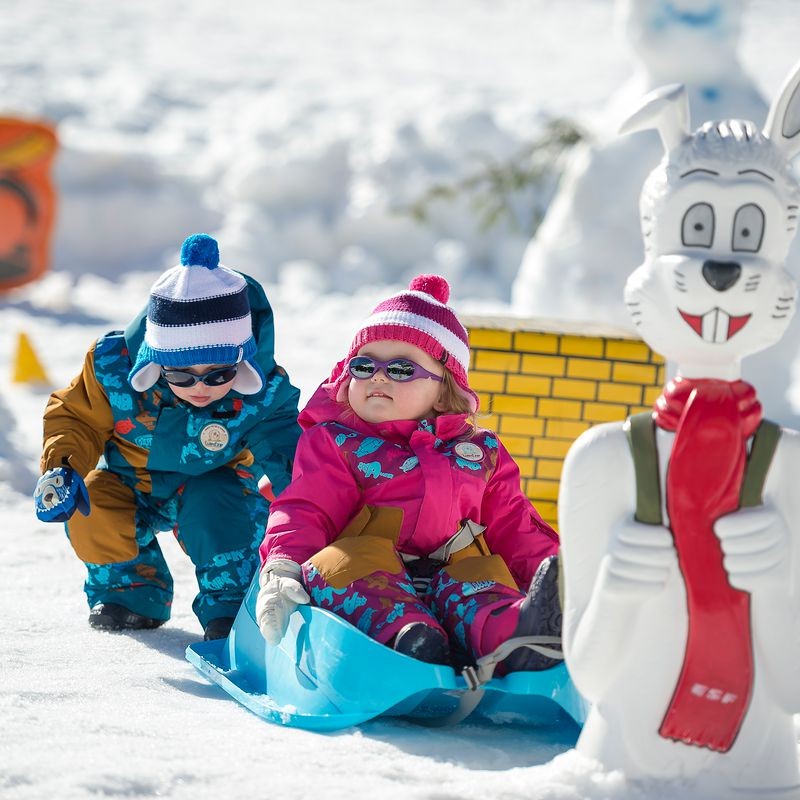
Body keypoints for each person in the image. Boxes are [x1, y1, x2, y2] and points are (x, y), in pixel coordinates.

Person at [255, 274, 561, 671]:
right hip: (366, 573)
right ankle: (409, 638)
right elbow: (304, 508)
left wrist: (556, 575)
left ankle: (518, 636)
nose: (378, 376)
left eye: (401, 369)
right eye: (363, 366)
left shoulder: (480, 452)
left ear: (444, 388)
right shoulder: (335, 442)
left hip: (454, 576)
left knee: (483, 586)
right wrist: (283, 565)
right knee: (345, 564)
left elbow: (515, 523)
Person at [34, 233, 301, 641]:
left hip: (215, 482)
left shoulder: (261, 394)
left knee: (218, 515)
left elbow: (290, 454)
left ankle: (230, 607)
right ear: (156, 361)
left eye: (218, 375)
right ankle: (131, 593)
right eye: (181, 374)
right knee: (92, 506)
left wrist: (316, 509)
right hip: (131, 480)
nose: (201, 387)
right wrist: (62, 467)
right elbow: (76, 417)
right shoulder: (113, 370)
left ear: (241, 362)